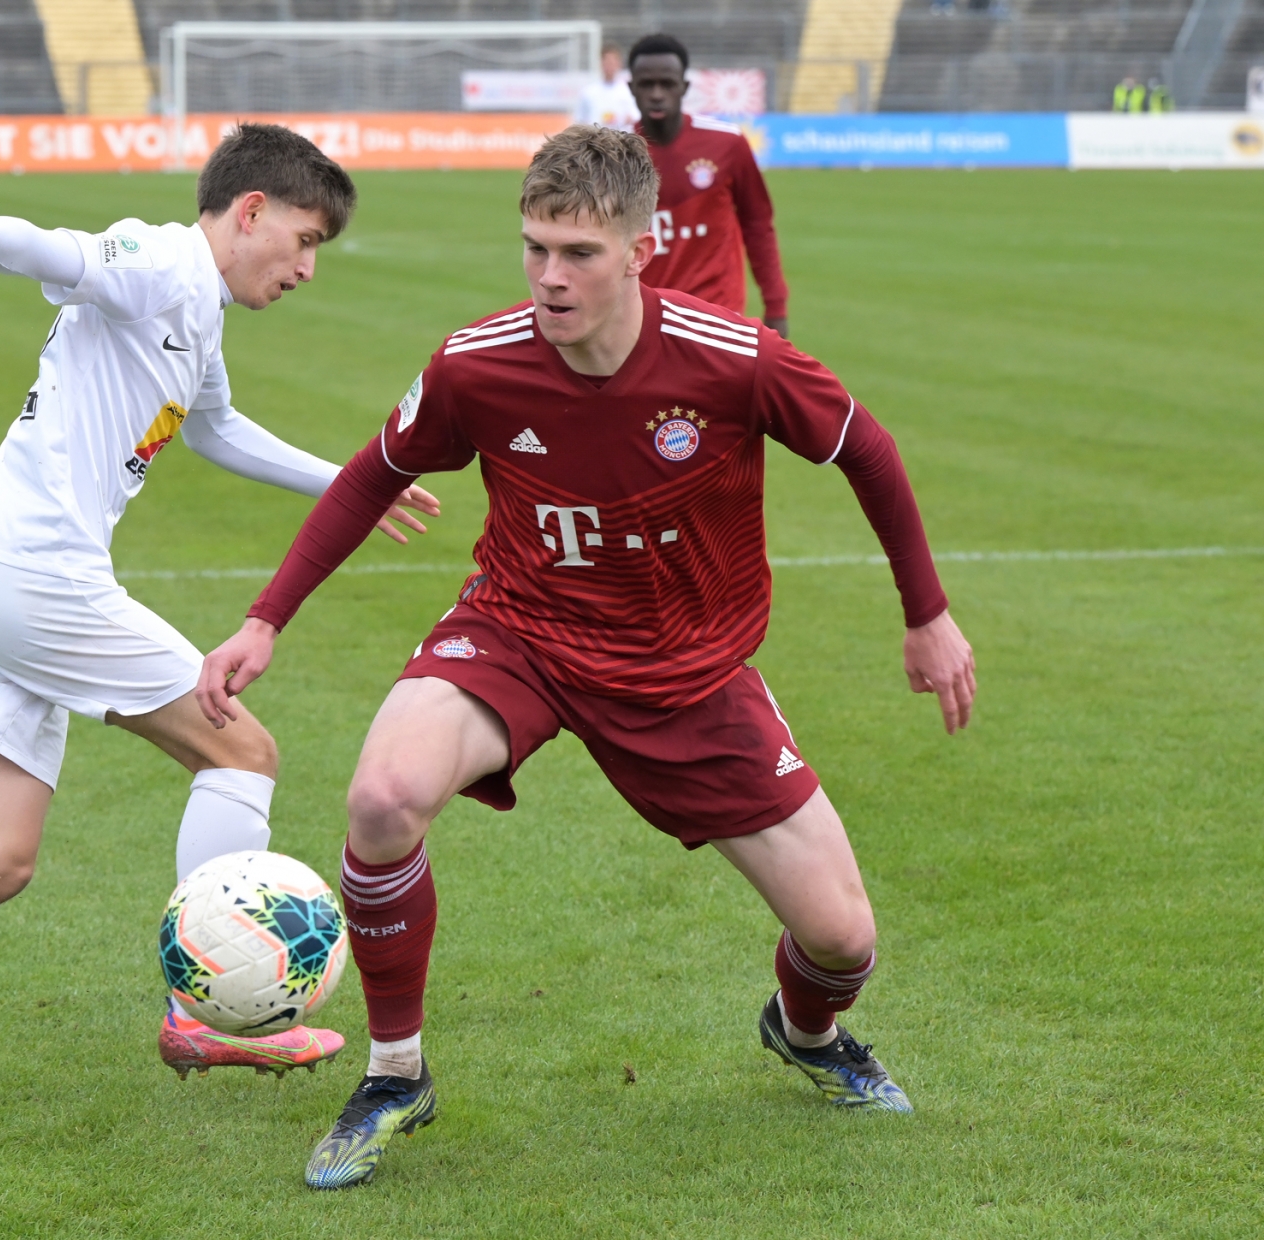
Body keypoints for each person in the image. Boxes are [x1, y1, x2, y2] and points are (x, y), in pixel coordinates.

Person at [197, 125, 977, 1189]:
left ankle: (805, 1033)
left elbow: (867, 450)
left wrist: (927, 615)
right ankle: (395, 1074)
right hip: (520, 633)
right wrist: (265, 618)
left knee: (842, 938)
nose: (550, 277)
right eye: (534, 248)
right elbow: (375, 471)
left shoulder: (734, 359)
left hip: (685, 672)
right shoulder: (478, 364)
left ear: (640, 250)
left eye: (578, 254)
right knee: (381, 797)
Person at [0, 124, 442, 1136]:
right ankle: (203, 1010)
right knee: (242, 750)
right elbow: (66, 255)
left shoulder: (195, 310)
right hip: (37, 578)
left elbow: (217, 428)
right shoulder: (163, 262)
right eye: (306, 239)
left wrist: (350, 481)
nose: (307, 268)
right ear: (252, 212)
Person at [626, 34, 789, 336]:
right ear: (631, 88)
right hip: (644, 316)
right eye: (647, 85)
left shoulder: (727, 144)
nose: (657, 94)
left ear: (684, 87)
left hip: (717, 314)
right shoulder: (616, 154)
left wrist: (776, 305)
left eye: (667, 84)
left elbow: (758, 224)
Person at [573, 43, 636, 130]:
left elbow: (635, 117)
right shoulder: (588, 92)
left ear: (619, 63)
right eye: (607, 62)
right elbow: (579, 121)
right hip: (596, 137)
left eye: (612, 62)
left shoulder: (628, 91)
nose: (610, 66)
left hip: (621, 136)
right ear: (601, 63)